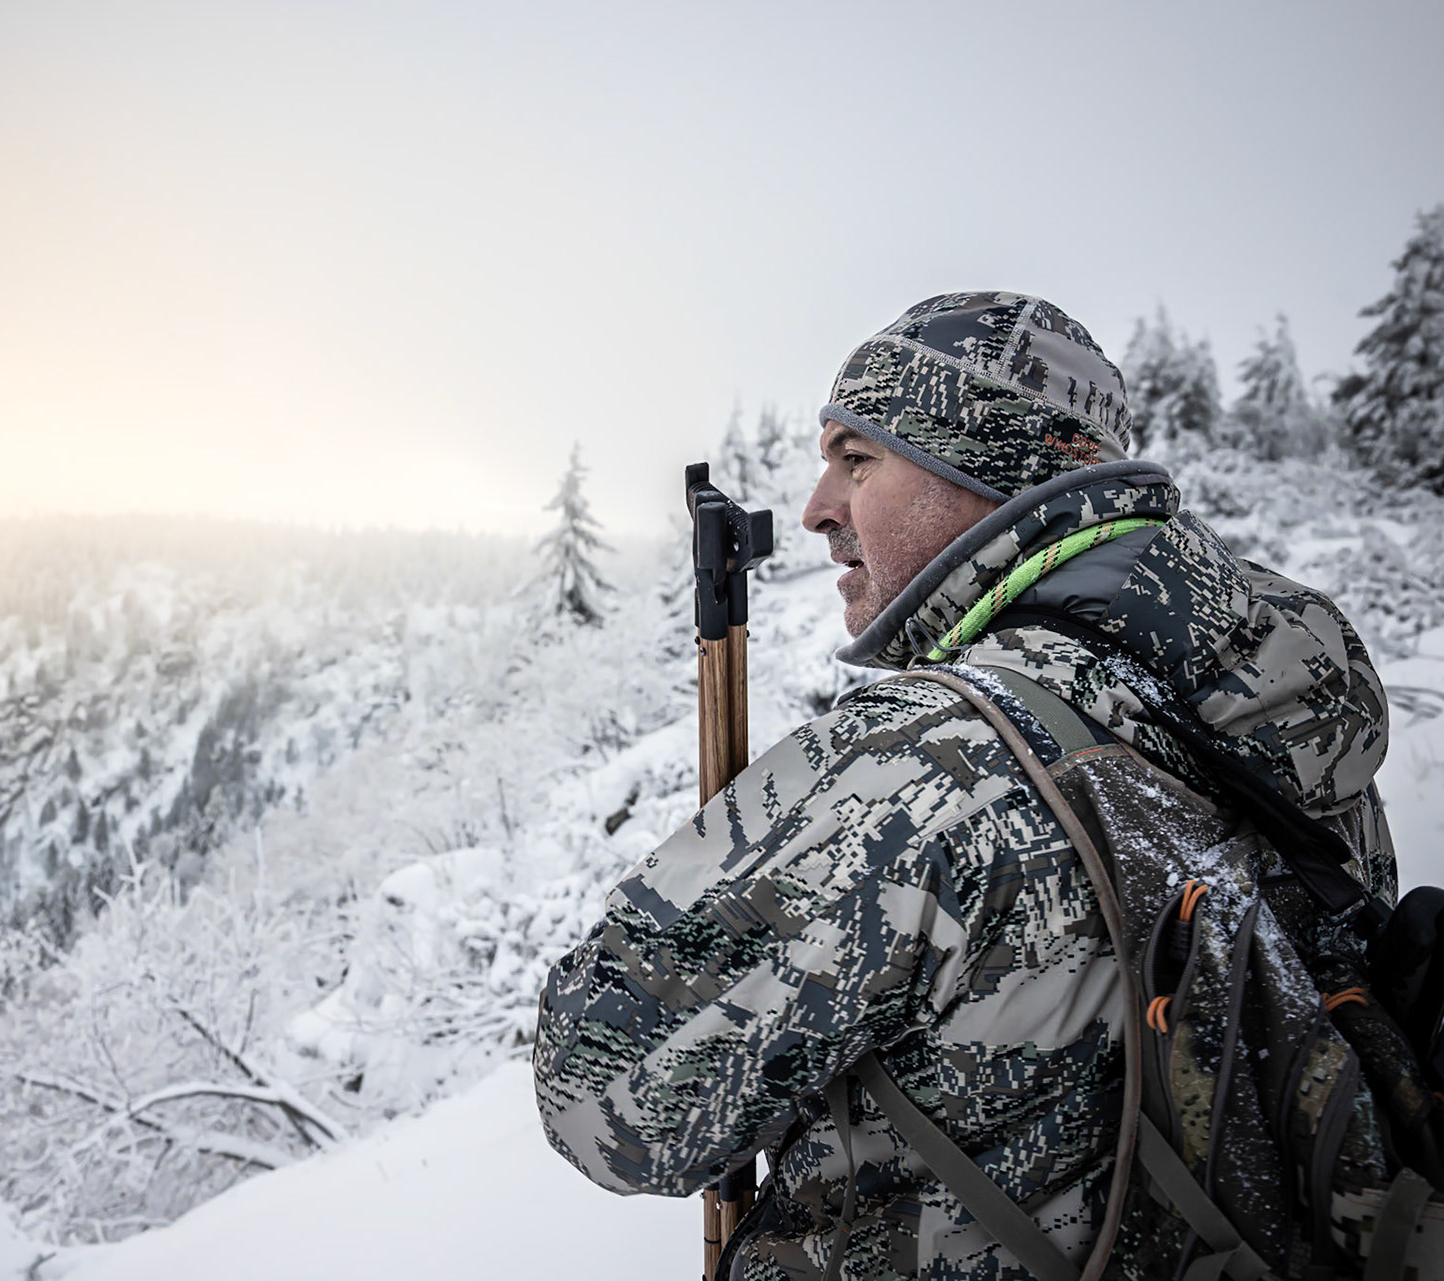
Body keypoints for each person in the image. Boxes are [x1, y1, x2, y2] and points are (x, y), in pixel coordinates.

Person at [531, 292, 1398, 1279]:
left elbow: (600, 1101)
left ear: (990, 469)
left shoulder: (924, 760)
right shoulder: (1287, 711)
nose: (817, 507)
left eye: (858, 460)